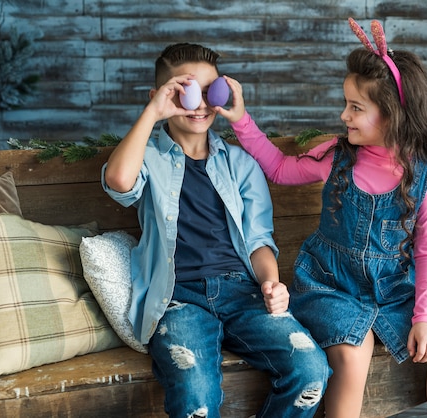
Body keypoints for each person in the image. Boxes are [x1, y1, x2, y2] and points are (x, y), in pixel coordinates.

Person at [218, 18, 427, 418]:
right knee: (354, 351)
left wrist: (426, 318)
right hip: (329, 287)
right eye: (346, 104)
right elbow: (281, 169)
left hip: (394, 290)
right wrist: (241, 120)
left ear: (391, 115)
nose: (343, 115)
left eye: (356, 107)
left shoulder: (425, 176)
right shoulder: (337, 155)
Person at [102, 42, 330, 418]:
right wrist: (152, 112)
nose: (202, 104)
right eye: (187, 92)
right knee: (196, 395)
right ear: (162, 96)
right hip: (177, 299)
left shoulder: (240, 164)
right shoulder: (148, 156)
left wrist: (271, 283)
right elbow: (119, 181)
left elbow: (259, 239)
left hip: (242, 292)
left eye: (211, 92)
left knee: (310, 371)